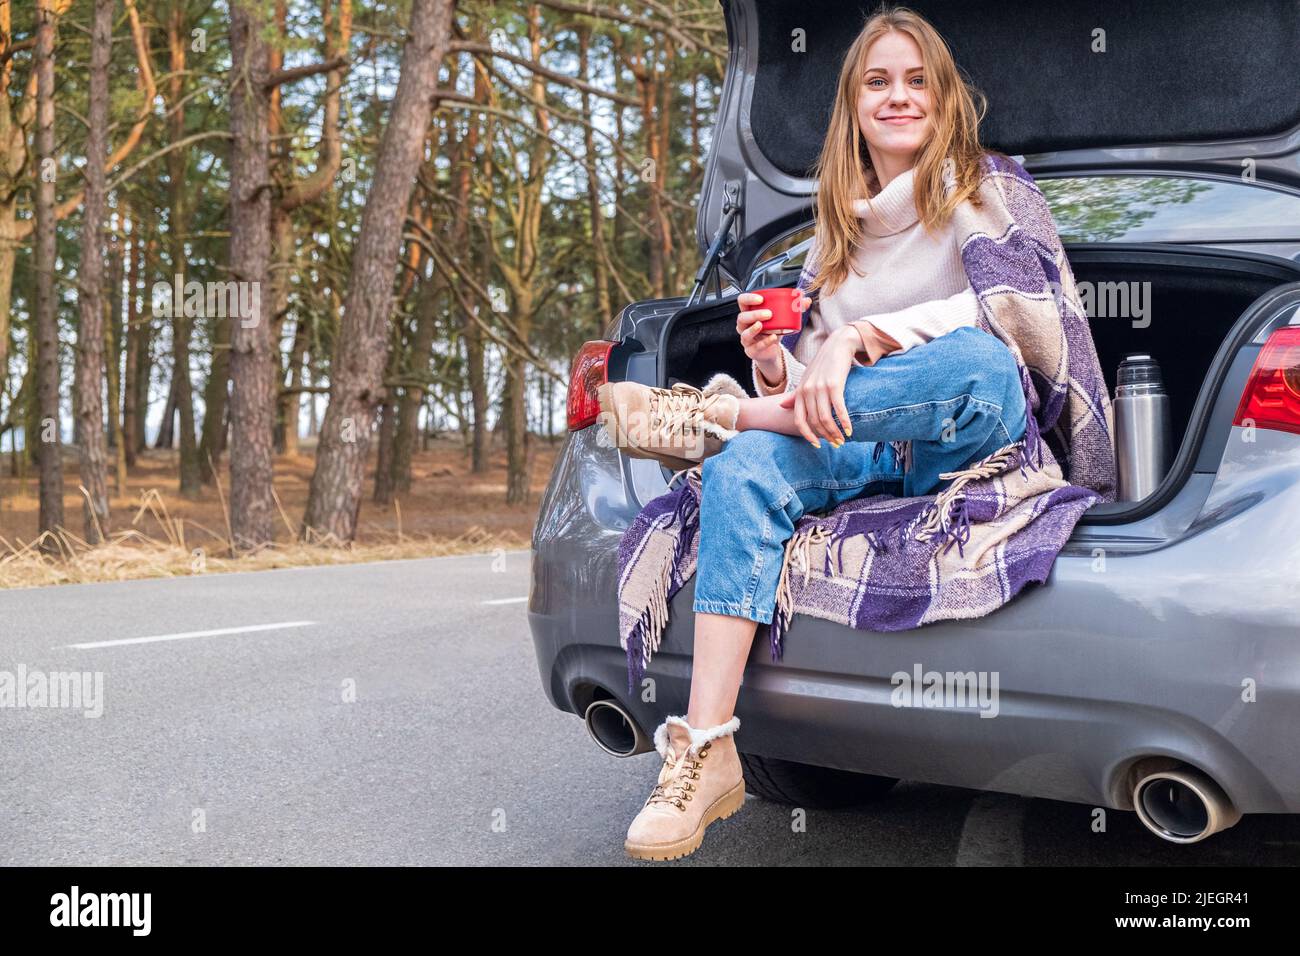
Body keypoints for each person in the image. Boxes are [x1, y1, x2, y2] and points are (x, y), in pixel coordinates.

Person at [597, 5, 1031, 861]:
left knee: (975, 358)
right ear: (854, 105)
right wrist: (770, 365)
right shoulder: (833, 239)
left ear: (945, 100)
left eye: (917, 81)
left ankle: (717, 417)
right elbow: (823, 403)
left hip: (970, 433)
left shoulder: (989, 191)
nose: (898, 96)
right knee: (747, 468)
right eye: (879, 82)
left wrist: (854, 338)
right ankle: (707, 745)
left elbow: (1012, 317)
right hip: (867, 443)